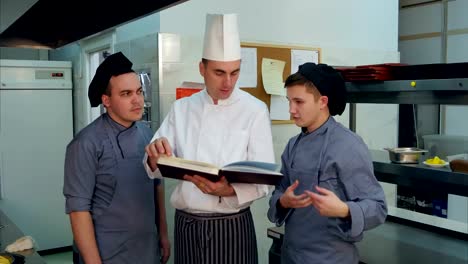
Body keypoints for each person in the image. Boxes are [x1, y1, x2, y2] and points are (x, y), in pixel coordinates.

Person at [144, 14, 274, 264]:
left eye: (235, 72)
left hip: (232, 228)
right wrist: (154, 156)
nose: (228, 82)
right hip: (187, 226)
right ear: (202, 68)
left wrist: (228, 190)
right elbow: (152, 166)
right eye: (219, 72)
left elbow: (264, 181)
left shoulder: (255, 110)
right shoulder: (182, 108)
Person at [268, 62, 387, 264]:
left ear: (322, 101)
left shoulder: (348, 145)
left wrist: (344, 210)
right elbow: (279, 192)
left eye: (299, 102)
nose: (291, 110)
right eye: (289, 101)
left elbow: (378, 208)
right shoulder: (292, 145)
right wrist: (283, 201)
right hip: (292, 256)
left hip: (330, 258)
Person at [63, 52, 170, 264]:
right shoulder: (85, 143)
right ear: (106, 101)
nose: (137, 100)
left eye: (139, 92)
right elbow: (78, 210)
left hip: (147, 251)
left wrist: (164, 235)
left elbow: (156, 187)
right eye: (126, 94)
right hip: (106, 254)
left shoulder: (148, 134)